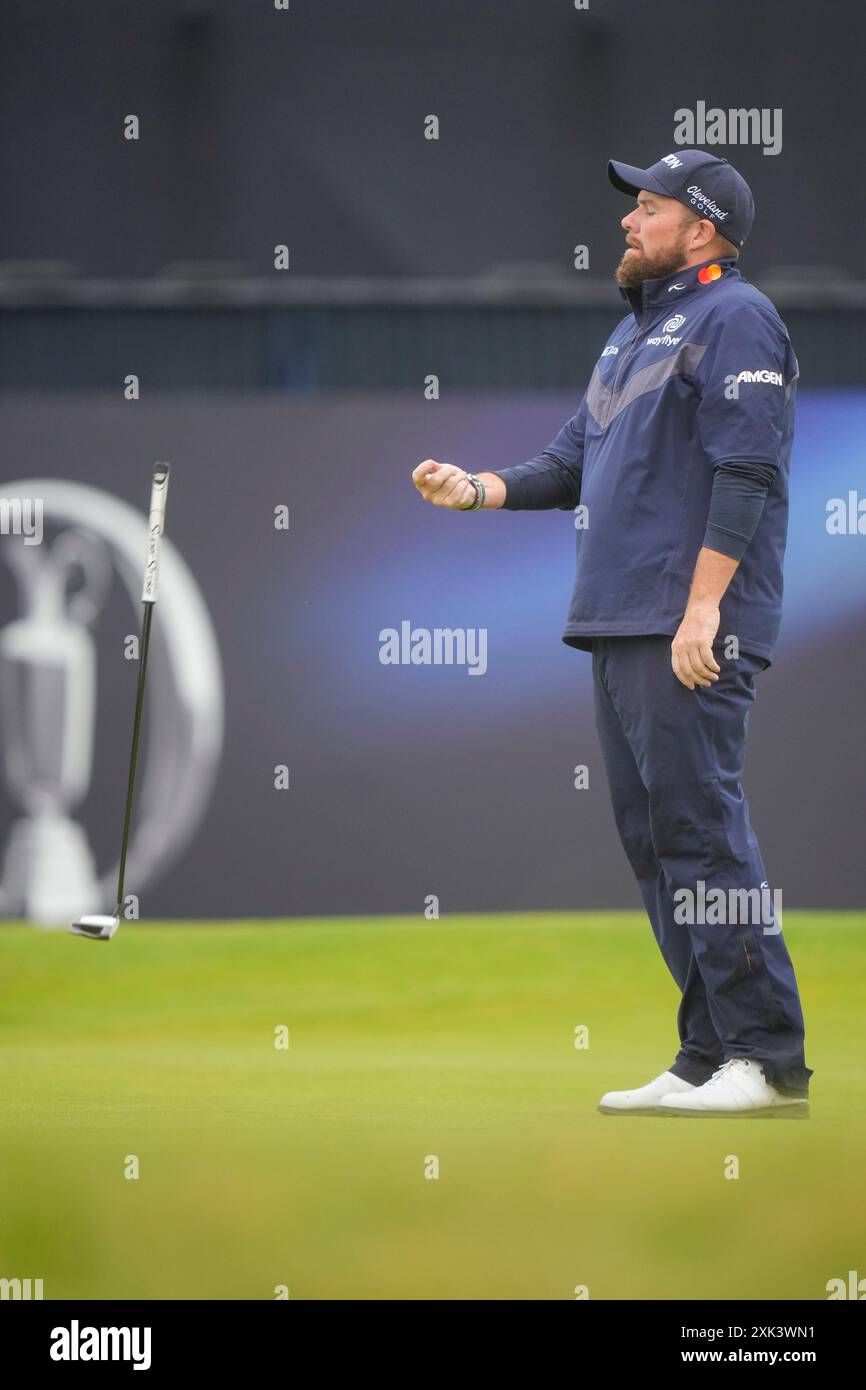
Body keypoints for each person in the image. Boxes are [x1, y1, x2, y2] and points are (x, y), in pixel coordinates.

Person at [411, 149, 813, 1118]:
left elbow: (746, 471)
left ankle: (766, 1062)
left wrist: (704, 607)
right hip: (618, 621)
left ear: (700, 228)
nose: (628, 222)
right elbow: (566, 464)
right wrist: (476, 490)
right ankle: (706, 1052)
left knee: (701, 832)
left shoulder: (736, 316)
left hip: (685, 623)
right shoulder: (628, 336)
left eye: (648, 207)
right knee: (653, 841)